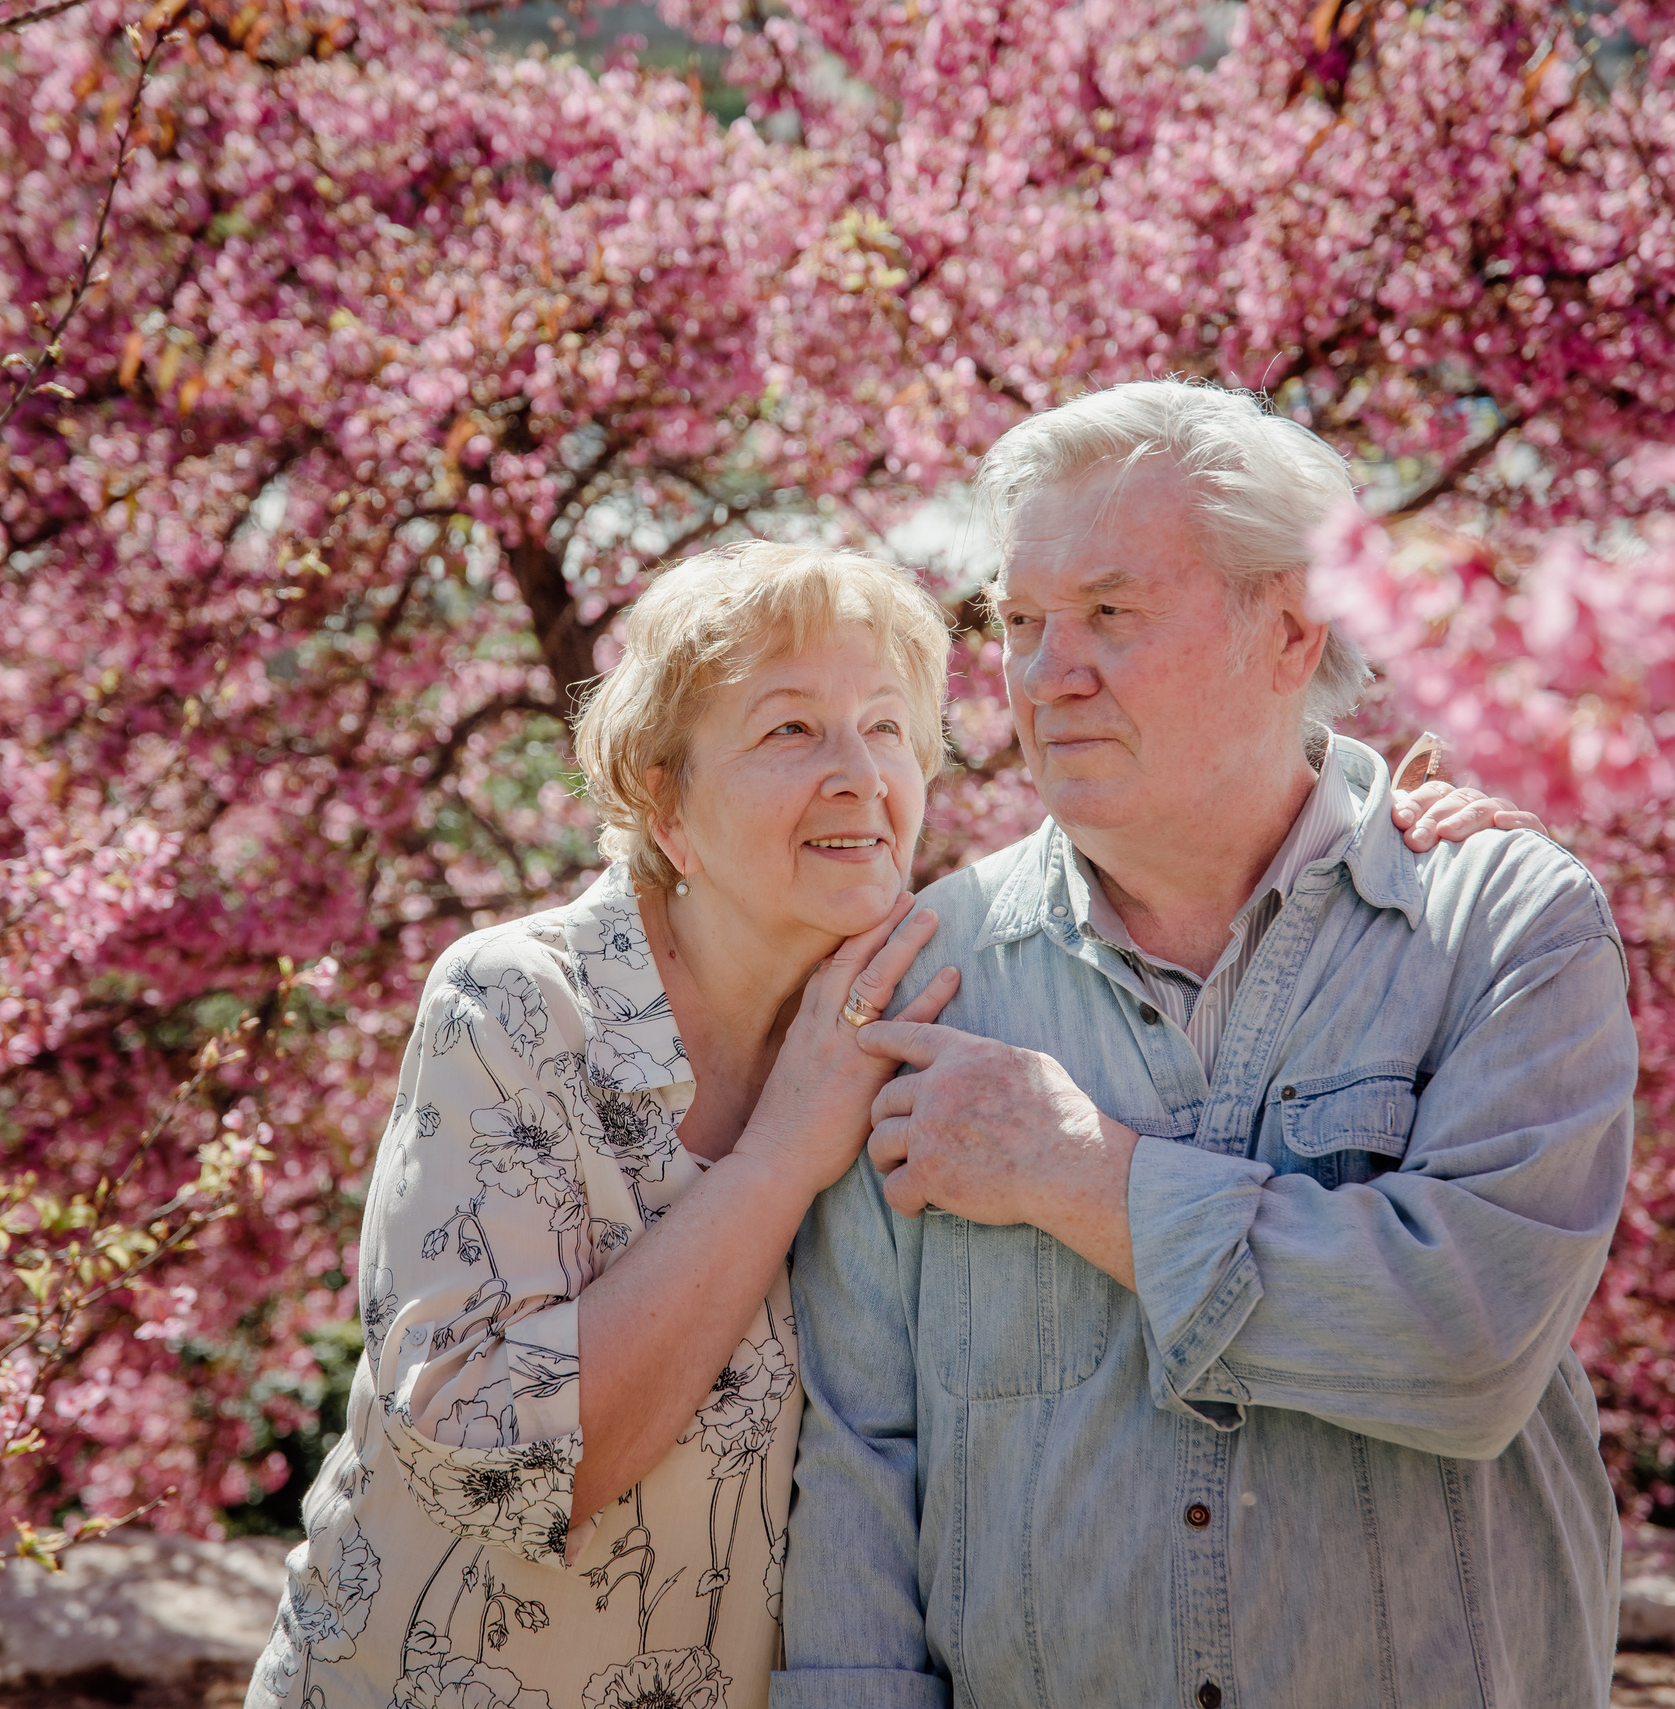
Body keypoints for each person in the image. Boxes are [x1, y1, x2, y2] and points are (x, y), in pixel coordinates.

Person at [246, 539, 1532, 1709]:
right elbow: (500, 1463)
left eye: (887, 729)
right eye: (790, 729)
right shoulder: (522, 1003)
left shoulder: (923, 994)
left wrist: (1378, 841)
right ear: (662, 797)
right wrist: (781, 1155)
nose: (859, 776)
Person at [774, 381, 1639, 1709]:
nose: (1047, 673)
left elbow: (1464, 1345)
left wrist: (1079, 1173)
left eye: (1111, 612)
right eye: (1021, 622)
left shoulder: (1502, 922)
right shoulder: (924, 971)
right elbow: (859, 1460)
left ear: (1290, 629)